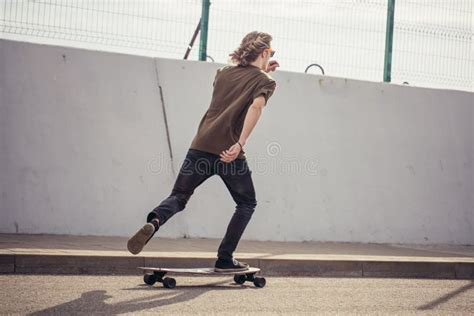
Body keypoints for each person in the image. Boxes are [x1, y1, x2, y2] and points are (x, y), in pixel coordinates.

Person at [127, 31, 279, 272]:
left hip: (200, 146)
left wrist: (262, 72)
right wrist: (240, 143)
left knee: (179, 196)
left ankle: (155, 221)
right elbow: (255, 105)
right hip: (229, 152)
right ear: (263, 53)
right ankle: (225, 258)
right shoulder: (265, 82)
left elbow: (238, 86)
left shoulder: (222, 74)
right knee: (246, 203)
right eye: (271, 52)